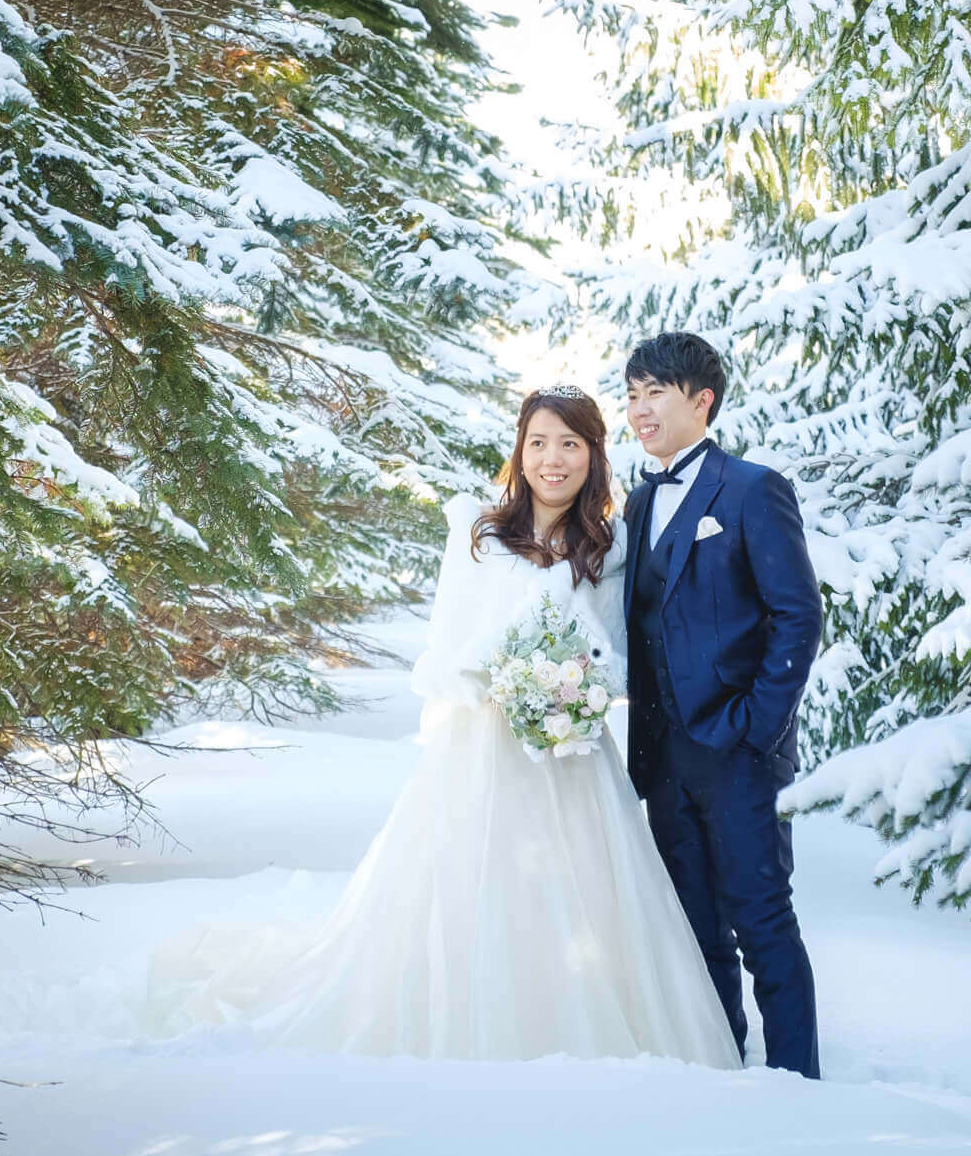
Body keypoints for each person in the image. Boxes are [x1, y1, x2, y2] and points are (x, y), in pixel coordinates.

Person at [147, 385, 740, 1065]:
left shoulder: (607, 543)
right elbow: (445, 649)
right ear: (519, 451)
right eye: (539, 442)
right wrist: (506, 680)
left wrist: (570, 690)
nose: (554, 459)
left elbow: (613, 651)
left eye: (571, 444)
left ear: (593, 455)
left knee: (586, 902)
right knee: (471, 891)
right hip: (482, 750)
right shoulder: (479, 534)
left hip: (572, 756)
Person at [620, 330, 823, 1077]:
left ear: (700, 401)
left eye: (655, 394)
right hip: (663, 759)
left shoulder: (751, 489)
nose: (639, 410)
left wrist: (756, 727)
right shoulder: (638, 502)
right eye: (632, 395)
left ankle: (800, 1081)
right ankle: (722, 1075)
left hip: (739, 755)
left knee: (762, 923)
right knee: (696, 930)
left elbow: (798, 615)